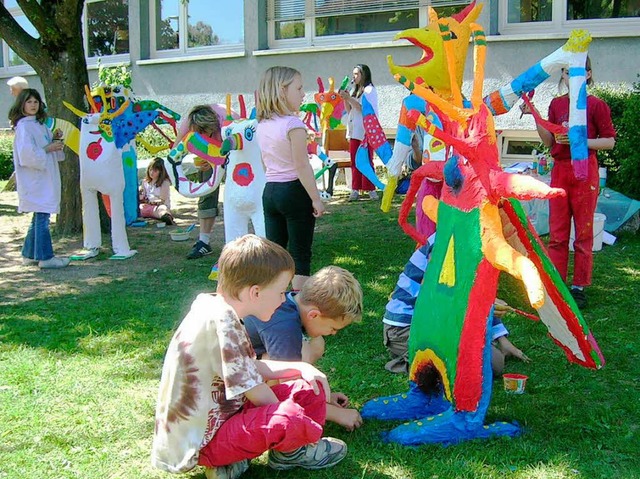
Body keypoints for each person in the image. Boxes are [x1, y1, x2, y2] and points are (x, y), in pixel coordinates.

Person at [152, 235, 348, 479]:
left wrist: (302, 369)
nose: (282, 299)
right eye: (280, 291)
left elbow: (247, 366)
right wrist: (303, 430)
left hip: (220, 425)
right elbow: (259, 393)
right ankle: (291, 452)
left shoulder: (212, 309)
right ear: (256, 292)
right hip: (205, 443)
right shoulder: (224, 324)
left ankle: (233, 463)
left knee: (306, 385)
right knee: (287, 416)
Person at [522, 58, 616, 309]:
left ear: (587, 75)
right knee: (558, 232)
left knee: (583, 233)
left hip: (585, 171)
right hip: (561, 171)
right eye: (565, 72)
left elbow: (608, 141)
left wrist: (580, 142)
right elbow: (550, 142)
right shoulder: (556, 104)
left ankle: (579, 287)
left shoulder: (596, 105)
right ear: (562, 76)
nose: (569, 76)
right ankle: (558, 283)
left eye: (574, 71)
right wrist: (535, 116)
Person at [383, 236, 529, 375]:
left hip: (436, 323)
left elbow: (474, 289)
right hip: (407, 327)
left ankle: (425, 355)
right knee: (491, 363)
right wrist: (480, 305)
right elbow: (432, 298)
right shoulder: (446, 240)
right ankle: (415, 358)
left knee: (492, 361)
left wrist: (501, 338)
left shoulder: (475, 240)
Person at [244, 265, 364, 431]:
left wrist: (325, 399)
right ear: (313, 315)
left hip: (247, 371)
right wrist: (336, 414)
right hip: (237, 387)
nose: (334, 333)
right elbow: (291, 387)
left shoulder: (290, 303)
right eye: (333, 328)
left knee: (314, 344)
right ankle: (262, 414)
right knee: (302, 353)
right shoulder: (283, 326)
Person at [256, 66, 326, 291]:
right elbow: (302, 165)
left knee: (276, 256)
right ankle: (298, 310)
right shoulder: (293, 124)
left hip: (270, 192)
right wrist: (315, 199)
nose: (303, 93)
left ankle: (273, 306)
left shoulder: (262, 124)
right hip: (294, 192)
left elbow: (264, 162)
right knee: (300, 256)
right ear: (282, 91)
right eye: (299, 88)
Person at [8, 88, 68, 269]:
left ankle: (29, 253)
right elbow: (28, 155)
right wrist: (49, 148)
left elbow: (43, 144)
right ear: (22, 104)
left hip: (44, 177)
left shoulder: (38, 124)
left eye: (36, 102)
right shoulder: (25, 127)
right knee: (42, 215)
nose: (33, 105)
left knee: (39, 215)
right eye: (29, 102)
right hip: (36, 179)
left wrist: (54, 138)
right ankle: (46, 257)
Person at [173, 105, 223, 259]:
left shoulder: (224, 123)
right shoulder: (189, 122)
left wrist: (216, 160)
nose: (200, 135)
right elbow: (176, 149)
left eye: (204, 132)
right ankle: (203, 242)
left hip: (230, 152)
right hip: (208, 156)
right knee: (207, 192)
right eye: (197, 132)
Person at [339, 64, 379, 201]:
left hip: (365, 130)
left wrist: (349, 98)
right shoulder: (354, 91)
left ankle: (370, 188)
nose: (354, 77)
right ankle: (355, 189)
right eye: (353, 74)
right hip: (354, 130)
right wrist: (345, 98)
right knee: (354, 161)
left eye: (357, 74)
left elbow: (364, 109)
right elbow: (351, 110)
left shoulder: (369, 91)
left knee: (366, 159)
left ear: (364, 75)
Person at [139, 157, 175, 225]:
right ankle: (150, 214)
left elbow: (162, 200)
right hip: (147, 205)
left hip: (159, 206)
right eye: (150, 170)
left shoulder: (164, 182)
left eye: (155, 171)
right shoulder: (145, 182)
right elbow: (142, 195)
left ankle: (166, 217)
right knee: (139, 208)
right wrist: (140, 195)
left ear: (161, 172)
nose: (152, 173)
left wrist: (151, 202)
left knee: (162, 209)